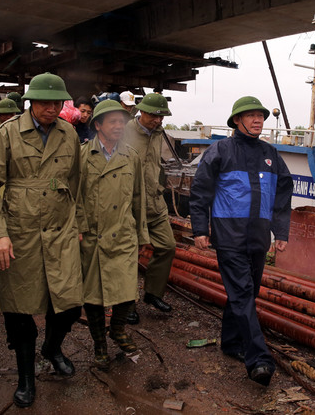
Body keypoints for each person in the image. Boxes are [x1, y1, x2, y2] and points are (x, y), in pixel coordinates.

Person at [0, 73, 84, 408]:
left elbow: (76, 182)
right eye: (45, 102)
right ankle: (26, 378)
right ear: (30, 102)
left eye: (57, 103)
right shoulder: (8, 133)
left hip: (60, 229)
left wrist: (78, 224)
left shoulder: (68, 133)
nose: (52, 108)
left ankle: (52, 348)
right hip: (19, 231)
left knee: (68, 303)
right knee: (19, 309)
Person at [189, 96, 293, 387]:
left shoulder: (270, 154)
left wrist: (281, 232)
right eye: (250, 116)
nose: (257, 120)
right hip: (229, 236)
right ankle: (258, 360)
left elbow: (283, 193)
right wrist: (200, 229)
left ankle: (231, 342)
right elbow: (201, 191)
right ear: (237, 120)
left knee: (246, 293)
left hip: (258, 236)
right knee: (243, 293)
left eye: (260, 116)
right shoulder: (221, 150)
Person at [76, 100, 149, 370]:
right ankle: (99, 344)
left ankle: (117, 330)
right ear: (98, 125)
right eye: (113, 122)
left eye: (122, 121)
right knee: (94, 295)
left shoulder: (131, 156)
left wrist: (142, 235)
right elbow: (75, 196)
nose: (119, 126)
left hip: (124, 233)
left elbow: (138, 198)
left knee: (127, 290)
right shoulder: (83, 155)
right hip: (94, 236)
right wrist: (79, 228)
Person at [123, 92, 176, 323]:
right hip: (129, 204)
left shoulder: (158, 134)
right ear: (142, 111)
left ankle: (153, 293)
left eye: (161, 117)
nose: (158, 120)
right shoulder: (124, 131)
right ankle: (127, 303)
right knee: (129, 253)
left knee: (167, 246)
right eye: (154, 115)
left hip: (154, 203)